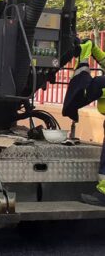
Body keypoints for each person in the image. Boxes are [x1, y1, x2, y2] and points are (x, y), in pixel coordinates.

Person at [63, 39, 105, 206]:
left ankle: (103, 195)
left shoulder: (101, 84)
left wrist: (83, 58)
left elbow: (81, 89)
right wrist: (93, 49)